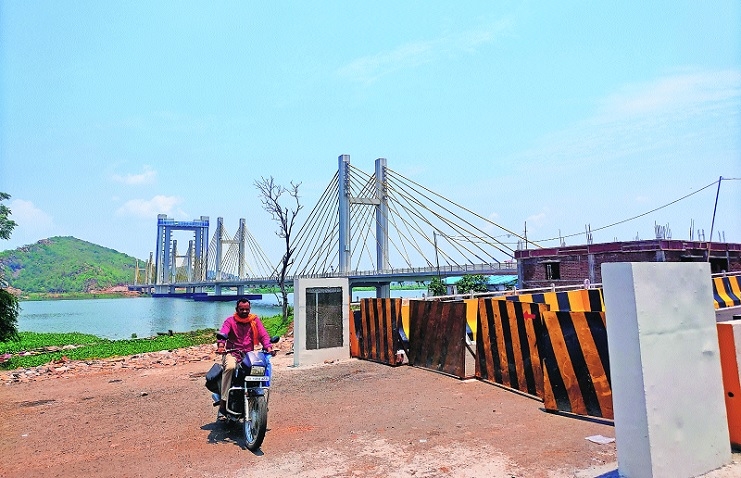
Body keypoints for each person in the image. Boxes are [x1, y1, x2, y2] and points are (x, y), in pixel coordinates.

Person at [216, 297, 275, 416]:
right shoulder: (230, 321)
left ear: (250, 309)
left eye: (246, 309)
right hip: (232, 353)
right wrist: (221, 346)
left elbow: (263, 335)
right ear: (236, 309)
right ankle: (223, 403)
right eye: (241, 309)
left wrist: (268, 347)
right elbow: (224, 333)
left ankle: (259, 401)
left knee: (261, 367)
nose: (244, 311)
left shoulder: (254, 320)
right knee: (230, 367)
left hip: (249, 354)